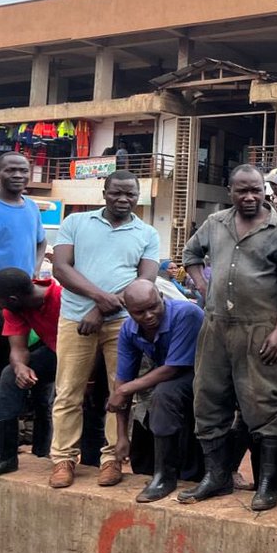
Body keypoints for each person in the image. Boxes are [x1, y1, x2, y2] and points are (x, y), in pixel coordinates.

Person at [179, 165, 277, 512]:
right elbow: (190, 255)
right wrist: (204, 287)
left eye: (256, 190)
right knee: (208, 400)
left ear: (265, 191)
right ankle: (216, 476)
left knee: (268, 405)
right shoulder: (215, 223)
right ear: (229, 191)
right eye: (242, 191)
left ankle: (267, 484)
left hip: (261, 328)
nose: (249, 197)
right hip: (216, 326)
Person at [50, 170, 159, 489]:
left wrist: (100, 309)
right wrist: (98, 298)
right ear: (104, 193)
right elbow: (61, 268)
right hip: (74, 318)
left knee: (120, 390)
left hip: (123, 323)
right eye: (116, 193)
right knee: (68, 390)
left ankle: (112, 459)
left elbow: (146, 280)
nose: (123, 199)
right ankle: (63, 458)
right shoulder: (75, 222)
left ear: (138, 196)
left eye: (130, 194)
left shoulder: (147, 233)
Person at [107, 279, 204, 503]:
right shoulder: (129, 330)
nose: (149, 316)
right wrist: (121, 436)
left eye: (153, 307)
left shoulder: (186, 313)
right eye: (139, 312)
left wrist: (125, 389)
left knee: (164, 394)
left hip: (206, 372)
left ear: (161, 297)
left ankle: (165, 477)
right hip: (173, 377)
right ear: (128, 310)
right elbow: (122, 380)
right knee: (157, 399)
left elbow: (173, 369)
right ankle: (161, 472)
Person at [0, 152, 46, 456]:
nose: (18, 175)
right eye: (11, 170)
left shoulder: (31, 207)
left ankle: (2, 437)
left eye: (23, 170)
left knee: (8, 369)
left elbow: (41, 242)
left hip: (19, 308)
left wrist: (34, 270)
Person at [0, 268, 59, 481]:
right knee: (9, 374)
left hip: (88, 354)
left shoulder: (61, 297)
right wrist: (20, 367)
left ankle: (91, 461)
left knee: (90, 401)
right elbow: (18, 348)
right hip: (54, 352)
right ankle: (5, 456)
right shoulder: (14, 309)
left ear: (13, 299)